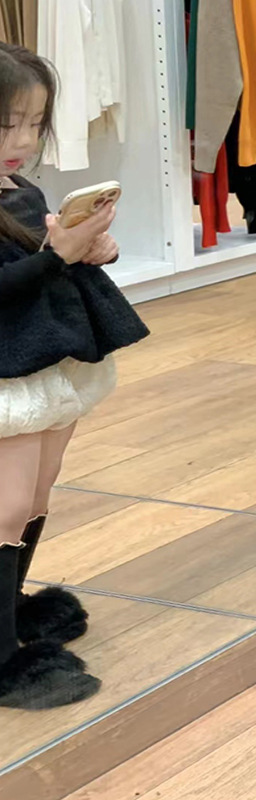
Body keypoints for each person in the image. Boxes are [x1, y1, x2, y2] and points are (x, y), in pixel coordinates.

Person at [0, 43, 149, 709]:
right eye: (7, 125)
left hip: (46, 364)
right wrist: (57, 254)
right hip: (9, 375)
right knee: (6, 506)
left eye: (34, 124)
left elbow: (38, 261)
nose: (22, 141)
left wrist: (87, 248)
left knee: (35, 496)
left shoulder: (24, 193)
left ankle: (10, 608)